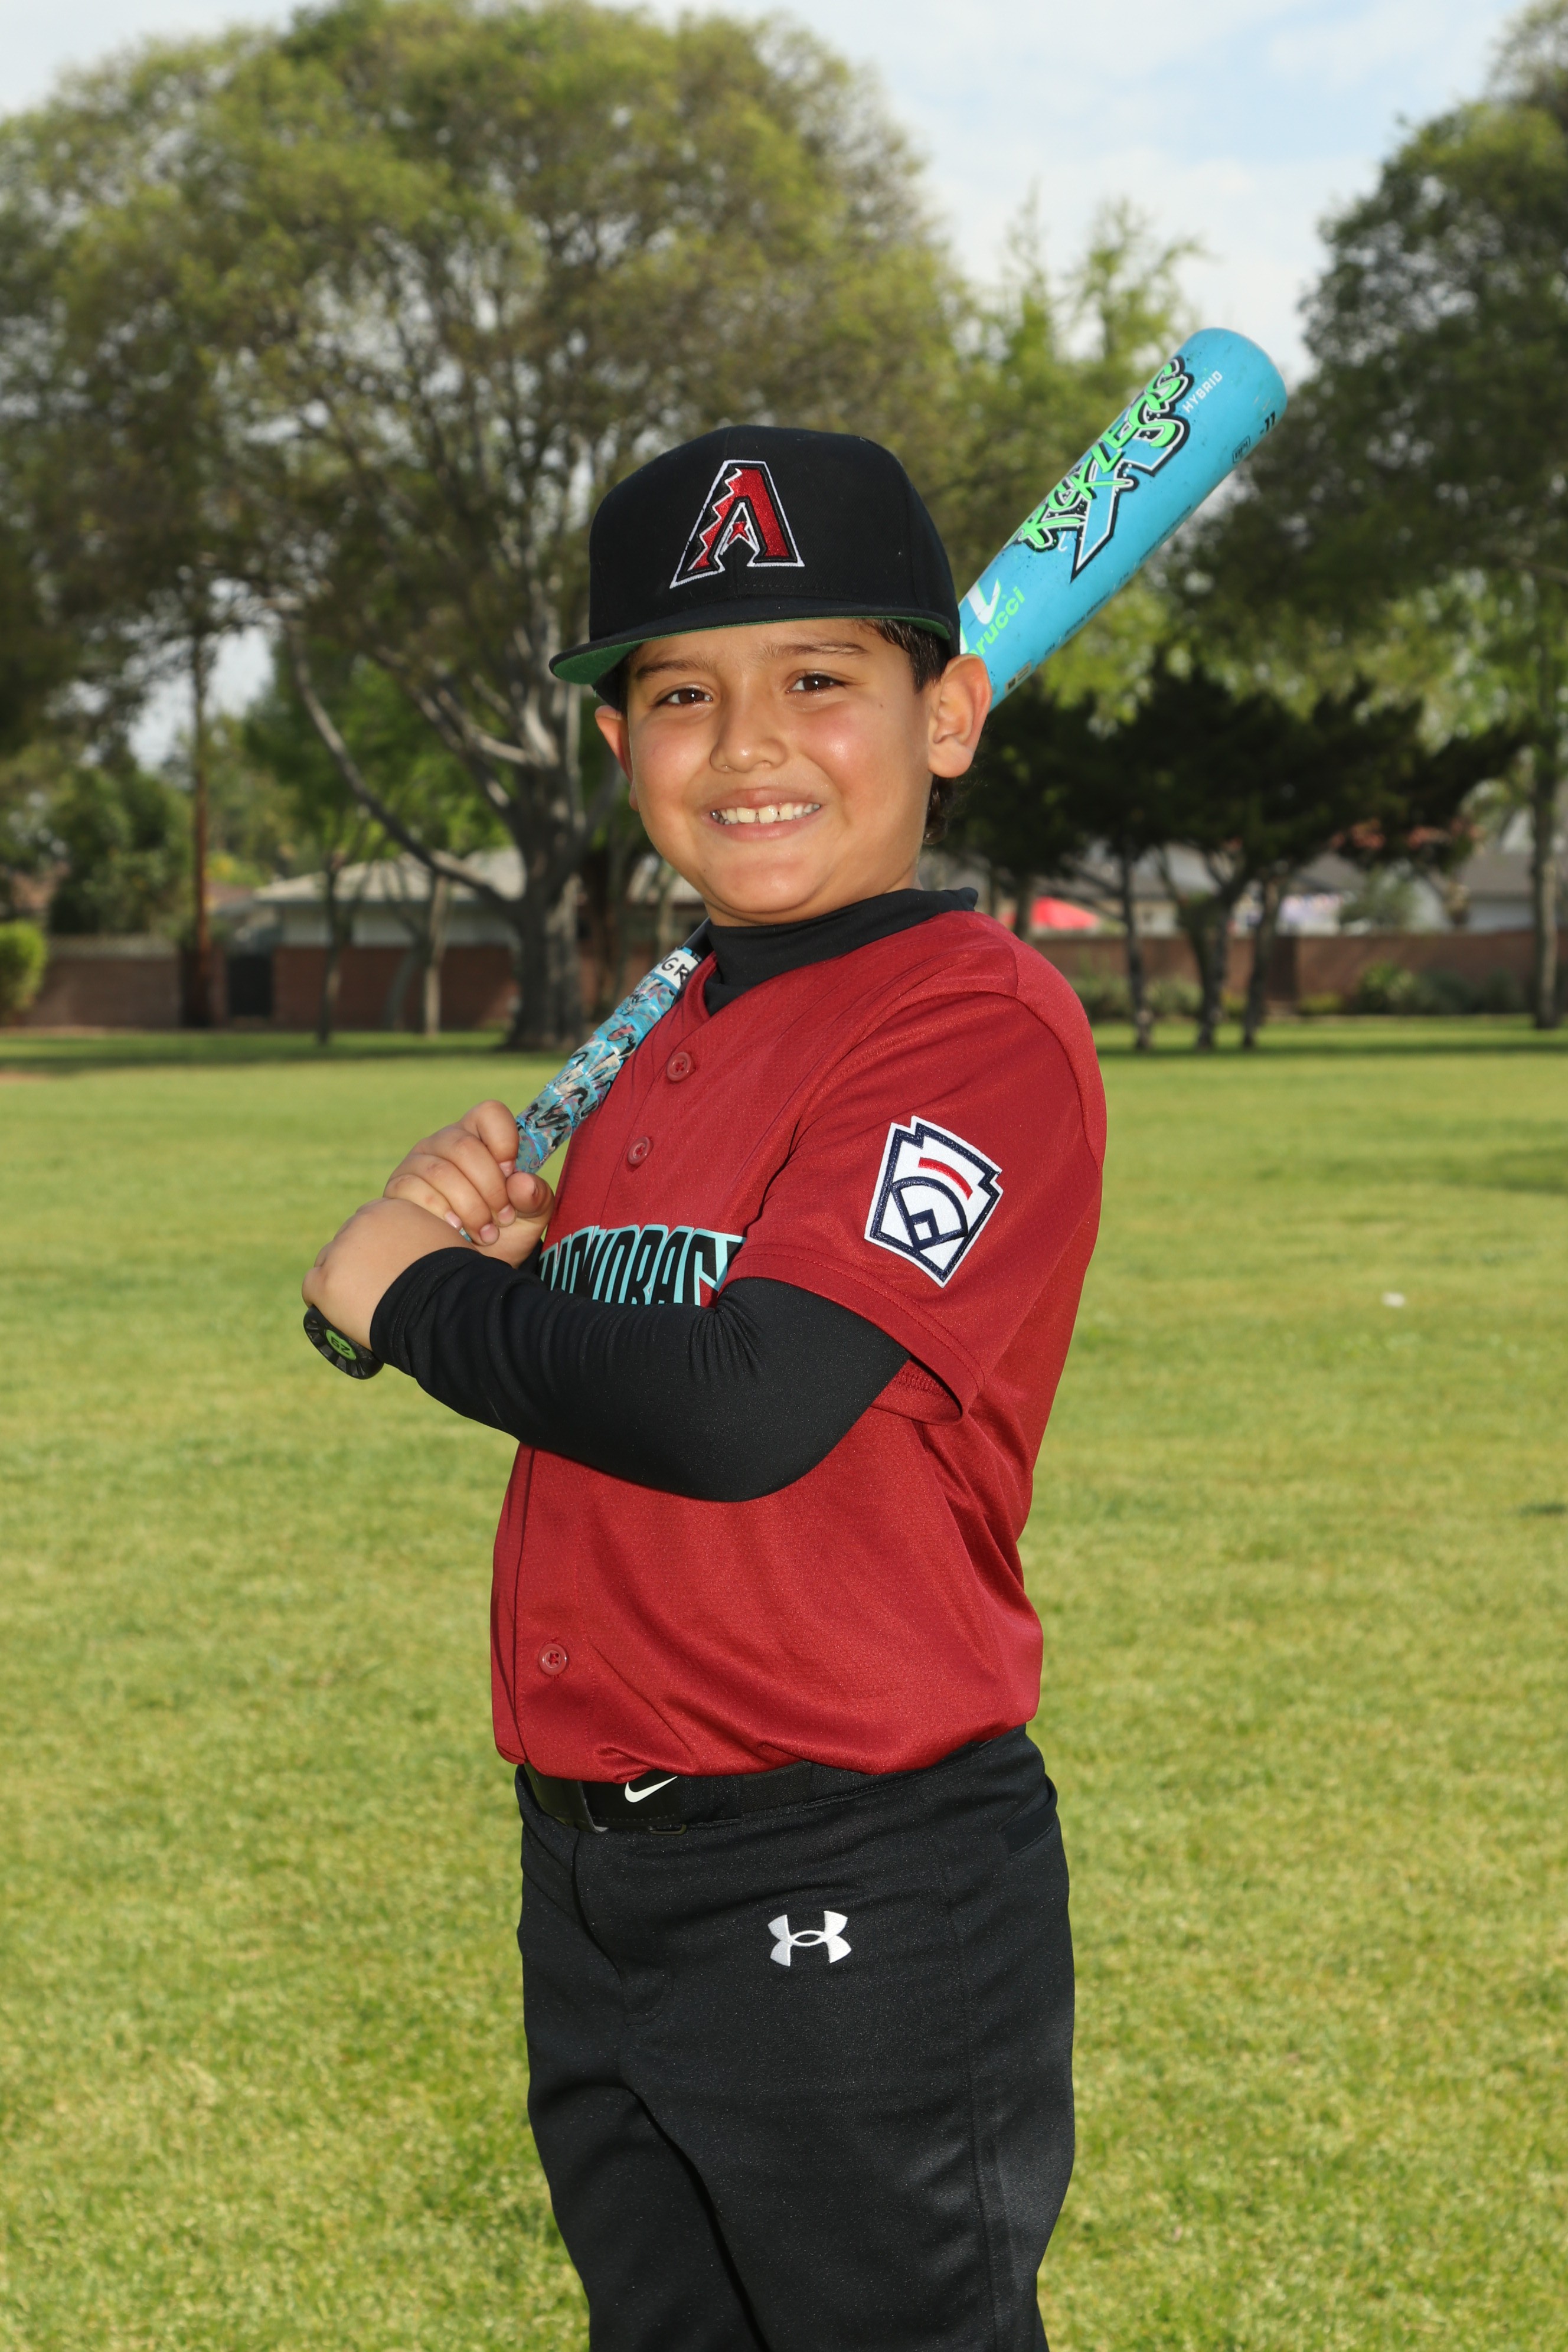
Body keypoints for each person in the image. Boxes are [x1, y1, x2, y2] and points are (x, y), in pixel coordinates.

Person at [303, 425, 1106, 2352]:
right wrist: (488, 1262)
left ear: (948, 714)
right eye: (682, 694)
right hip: (596, 1862)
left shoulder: (973, 1019)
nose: (749, 744)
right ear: (619, 746)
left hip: (850, 1866)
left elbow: (746, 1404)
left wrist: (418, 1303)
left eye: (820, 677)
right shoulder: (680, 1015)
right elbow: (628, 1354)